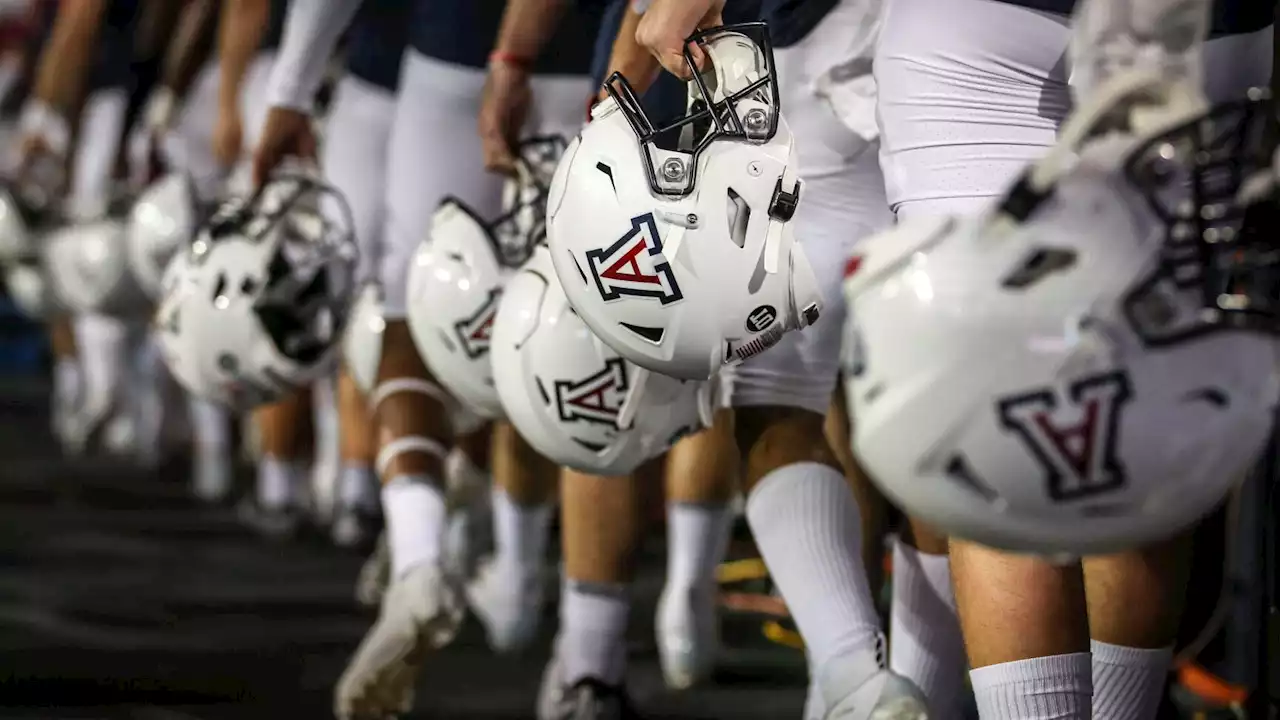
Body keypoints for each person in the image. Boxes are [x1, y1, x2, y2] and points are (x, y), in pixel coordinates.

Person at [554, 1, 928, 718]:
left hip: (794, 56)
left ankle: (843, 665)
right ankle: (879, 674)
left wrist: (602, 83)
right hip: (966, 55)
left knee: (768, 383)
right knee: (929, 403)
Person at [251, 2, 598, 717]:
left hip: (455, 51)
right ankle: (568, 612)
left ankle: (418, 558)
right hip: (594, 53)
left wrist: (288, 90)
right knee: (569, 322)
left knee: (413, 313)